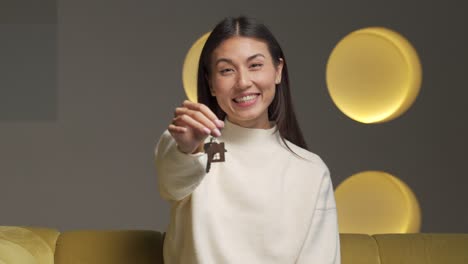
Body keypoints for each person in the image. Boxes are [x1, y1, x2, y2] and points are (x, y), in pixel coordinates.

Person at [155, 16, 340, 264]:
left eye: (255, 65)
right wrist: (188, 149)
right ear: (211, 83)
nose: (243, 82)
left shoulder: (310, 170)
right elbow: (172, 179)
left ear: (277, 70)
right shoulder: (194, 146)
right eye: (227, 70)